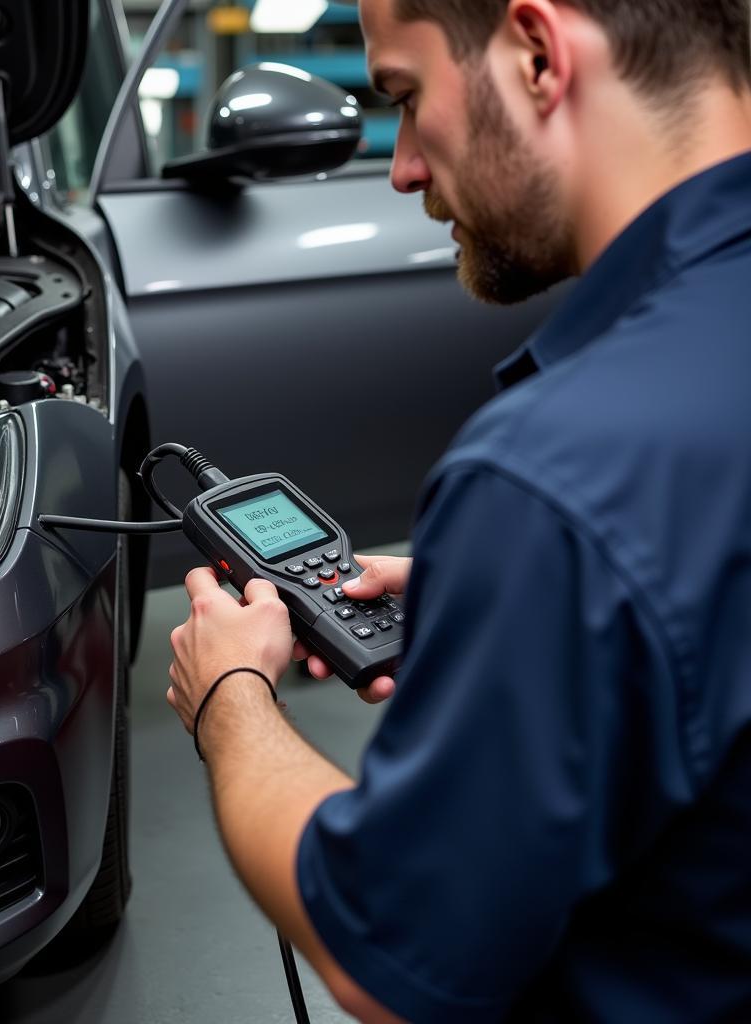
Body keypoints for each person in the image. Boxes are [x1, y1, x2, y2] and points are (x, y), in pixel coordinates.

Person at [166, 0, 751, 1020]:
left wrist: (228, 699)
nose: (401, 168)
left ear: (534, 53)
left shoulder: (552, 477)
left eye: (404, 95)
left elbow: (385, 949)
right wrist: (541, 598)